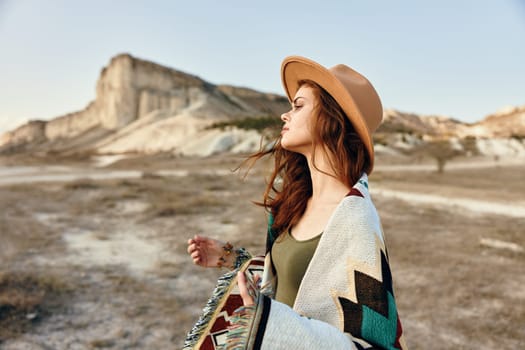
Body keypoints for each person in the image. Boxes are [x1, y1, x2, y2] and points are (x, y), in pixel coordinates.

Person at [186, 56, 407, 349]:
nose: (284, 115)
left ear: (332, 117)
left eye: (298, 105)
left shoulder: (355, 219)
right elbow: (288, 284)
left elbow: (372, 342)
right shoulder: (294, 202)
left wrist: (269, 322)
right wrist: (231, 258)